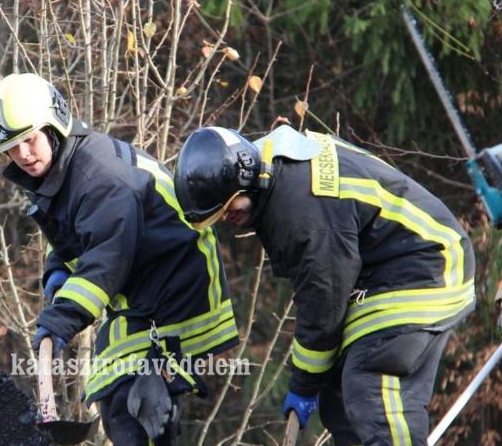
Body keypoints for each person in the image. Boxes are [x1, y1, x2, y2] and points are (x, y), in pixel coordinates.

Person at [172, 125, 475, 446]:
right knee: (339, 399)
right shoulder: (278, 171)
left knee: (370, 382)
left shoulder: (300, 204)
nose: (224, 217)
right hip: (389, 270)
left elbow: (324, 298)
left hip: (427, 265)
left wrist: (303, 383)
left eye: (227, 206)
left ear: (244, 177)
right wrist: (315, 380)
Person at [0, 73, 240, 445]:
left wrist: (61, 318)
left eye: (29, 138)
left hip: (180, 291)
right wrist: (58, 273)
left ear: (54, 126)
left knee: (141, 405)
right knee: (111, 395)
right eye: (12, 147)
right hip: (137, 297)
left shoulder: (100, 176)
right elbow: (77, 240)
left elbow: (107, 256)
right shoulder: (62, 175)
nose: (23, 154)